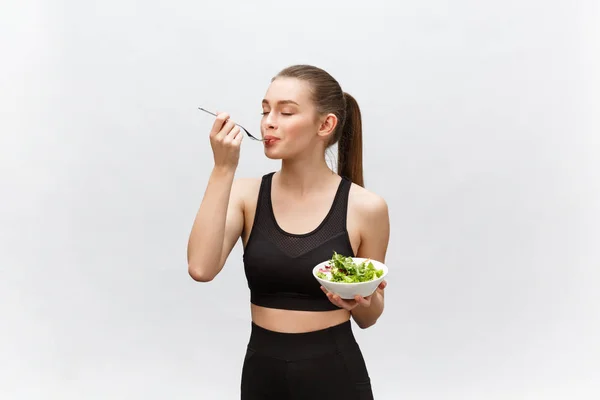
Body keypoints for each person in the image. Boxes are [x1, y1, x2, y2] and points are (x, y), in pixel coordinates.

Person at [187, 64, 390, 399]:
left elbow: (369, 316)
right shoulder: (245, 195)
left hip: (336, 377)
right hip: (261, 378)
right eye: (265, 110)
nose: (269, 121)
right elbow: (200, 268)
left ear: (325, 124)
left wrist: (359, 301)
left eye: (286, 112)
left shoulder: (366, 208)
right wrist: (223, 168)